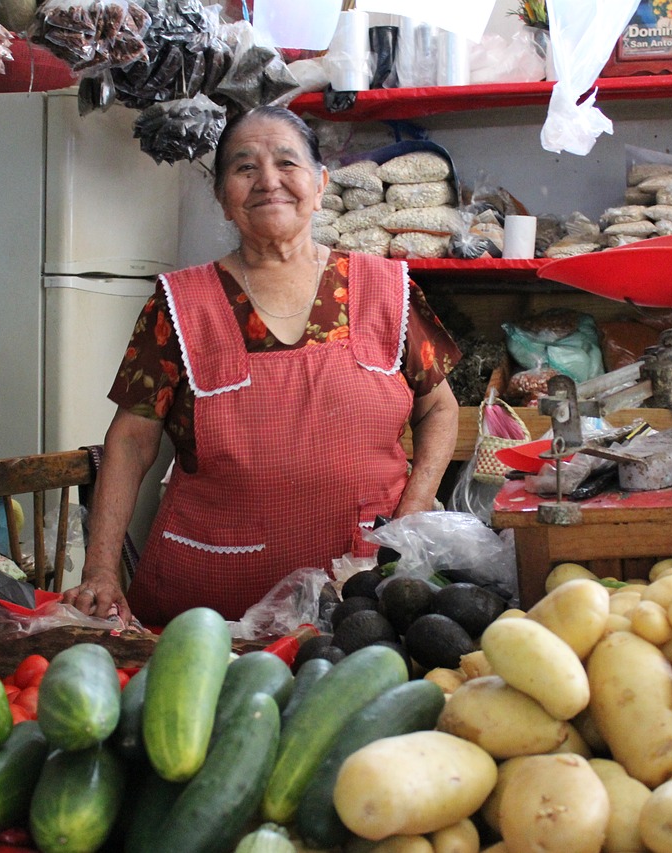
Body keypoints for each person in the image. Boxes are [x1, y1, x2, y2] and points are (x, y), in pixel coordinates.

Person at [62, 105, 462, 627]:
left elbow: (439, 410)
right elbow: (132, 439)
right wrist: (99, 569)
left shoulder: (386, 289)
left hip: (361, 592)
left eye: (286, 163)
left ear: (320, 186)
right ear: (223, 198)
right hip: (209, 606)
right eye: (244, 167)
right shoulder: (180, 305)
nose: (267, 180)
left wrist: (412, 513)